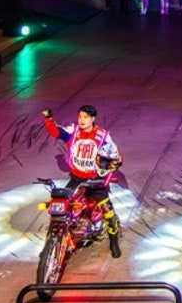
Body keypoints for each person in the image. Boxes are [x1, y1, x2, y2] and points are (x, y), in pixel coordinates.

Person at [41, 105, 123, 258]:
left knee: (107, 211)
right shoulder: (73, 131)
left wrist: (110, 168)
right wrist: (49, 119)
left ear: (93, 119)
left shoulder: (103, 136)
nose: (81, 120)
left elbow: (116, 157)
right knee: (59, 208)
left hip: (95, 181)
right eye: (80, 117)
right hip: (76, 178)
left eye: (85, 117)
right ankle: (49, 244)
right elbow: (56, 132)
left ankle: (114, 242)